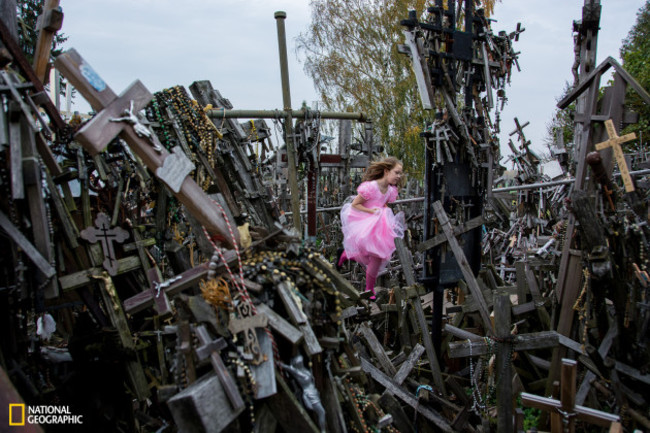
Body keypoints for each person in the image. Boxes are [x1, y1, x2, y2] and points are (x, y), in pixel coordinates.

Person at [338, 157, 405, 300]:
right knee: (374, 256)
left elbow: (383, 203)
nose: (399, 176)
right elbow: (355, 204)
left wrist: (384, 212)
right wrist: (372, 212)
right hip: (363, 221)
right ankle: (347, 256)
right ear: (386, 171)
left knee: (378, 257)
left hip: (379, 224)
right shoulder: (371, 187)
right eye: (397, 172)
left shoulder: (390, 190)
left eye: (400, 173)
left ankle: (368, 288)